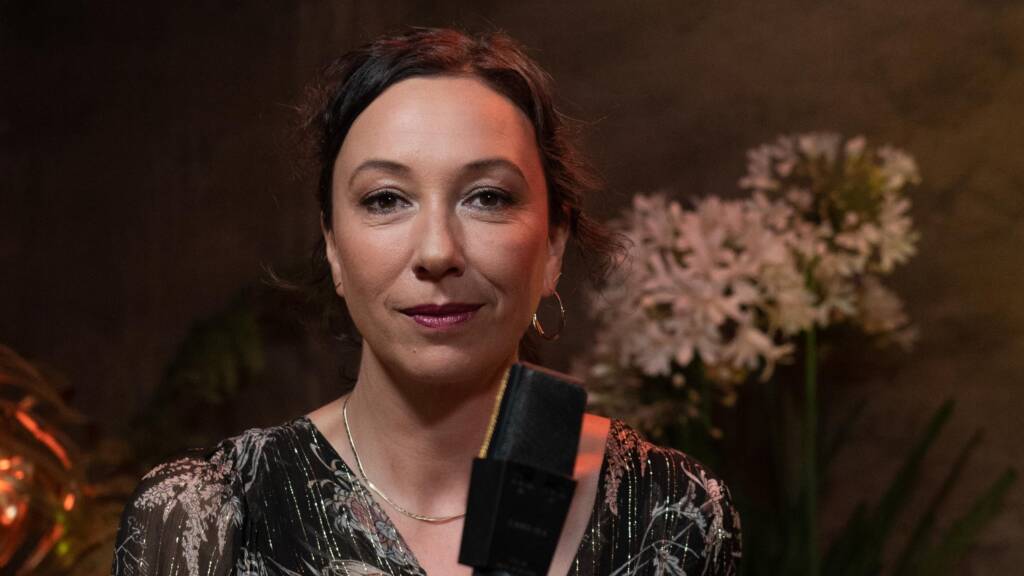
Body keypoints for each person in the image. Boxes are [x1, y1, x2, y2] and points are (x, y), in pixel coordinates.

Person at [111, 27, 741, 576]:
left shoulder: (670, 510)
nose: (438, 251)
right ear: (333, 247)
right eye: (385, 199)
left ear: (553, 246)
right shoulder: (205, 514)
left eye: (487, 197)